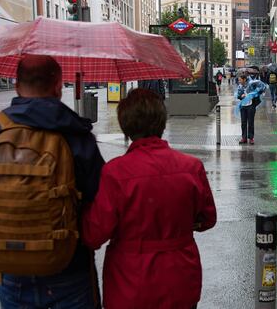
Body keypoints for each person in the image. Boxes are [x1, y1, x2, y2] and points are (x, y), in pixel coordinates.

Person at [0, 54, 104, 309]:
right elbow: (99, 200)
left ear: (16, 84)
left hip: (11, 270)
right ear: (58, 86)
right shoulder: (77, 136)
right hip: (69, 267)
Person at [82, 88, 217, 309]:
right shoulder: (191, 167)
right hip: (181, 278)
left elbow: (95, 233)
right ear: (162, 122)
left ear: (126, 126)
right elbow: (207, 219)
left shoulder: (115, 173)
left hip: (131, 282)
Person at [237, 75, 258, 145]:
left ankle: (251, 138)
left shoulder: (251, 85)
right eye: (239, 80)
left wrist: (250, 95)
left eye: (240, 80)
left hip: (251, 106)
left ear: (244, 79)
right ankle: (244, 138)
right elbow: (238, 96)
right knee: (243, 123)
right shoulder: (240, 86)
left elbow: (256, 93)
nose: (239, 81)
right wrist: (241, 96)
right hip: (243, 106)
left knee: (251, 123)